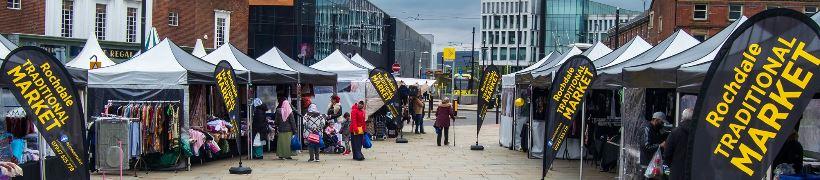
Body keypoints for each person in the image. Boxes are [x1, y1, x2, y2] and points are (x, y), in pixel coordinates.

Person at [663, 109, 693, 180]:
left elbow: (667, 155)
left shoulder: (675, 132)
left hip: (676, 174)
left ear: (682, 118)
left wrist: (667, 174)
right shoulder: (698, 134)